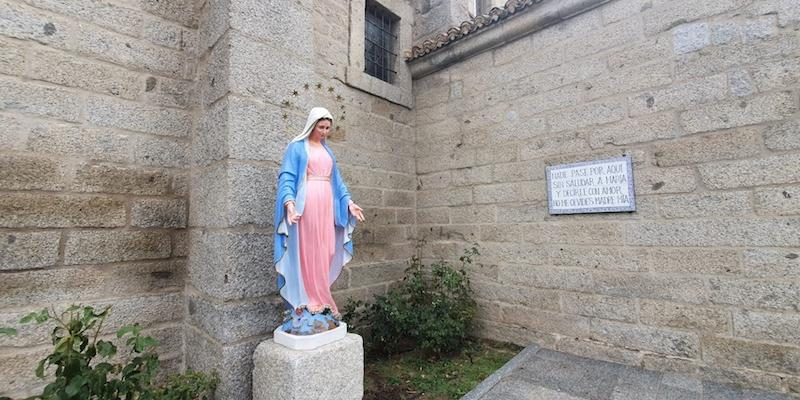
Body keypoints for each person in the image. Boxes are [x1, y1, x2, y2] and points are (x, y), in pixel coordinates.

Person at [273, 107, 365, 336]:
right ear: (312, 125)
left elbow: (338, 182)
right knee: (309, 249)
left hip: (327, 206)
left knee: (326, 250)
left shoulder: (328, 152)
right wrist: (290, 204)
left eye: (327, 128)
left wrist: (349, 203)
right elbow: (287, 177)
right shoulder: (297, 147)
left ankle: (322, 297)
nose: (324, 132)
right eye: (321, 127)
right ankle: (308, 299)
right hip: (308, 206)